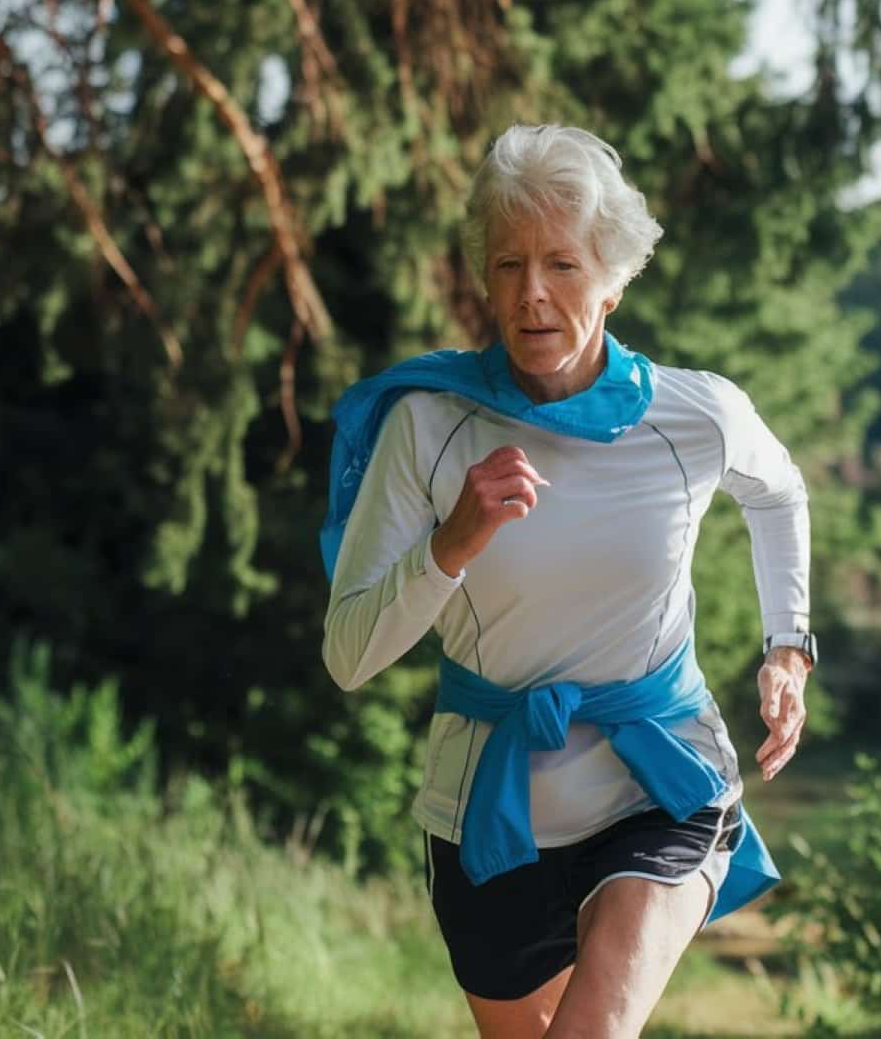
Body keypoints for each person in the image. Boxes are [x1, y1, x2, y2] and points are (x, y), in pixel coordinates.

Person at [320, 123, 815, 1038]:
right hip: (487, 810)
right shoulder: (428, 426)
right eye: (508, 265)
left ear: (616, 278)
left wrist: (788, 646)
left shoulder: (693, 415)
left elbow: (779, 492)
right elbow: (349, 656)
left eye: (563, 264)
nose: (533, 295)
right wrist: (451, 544)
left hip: (658, 783)